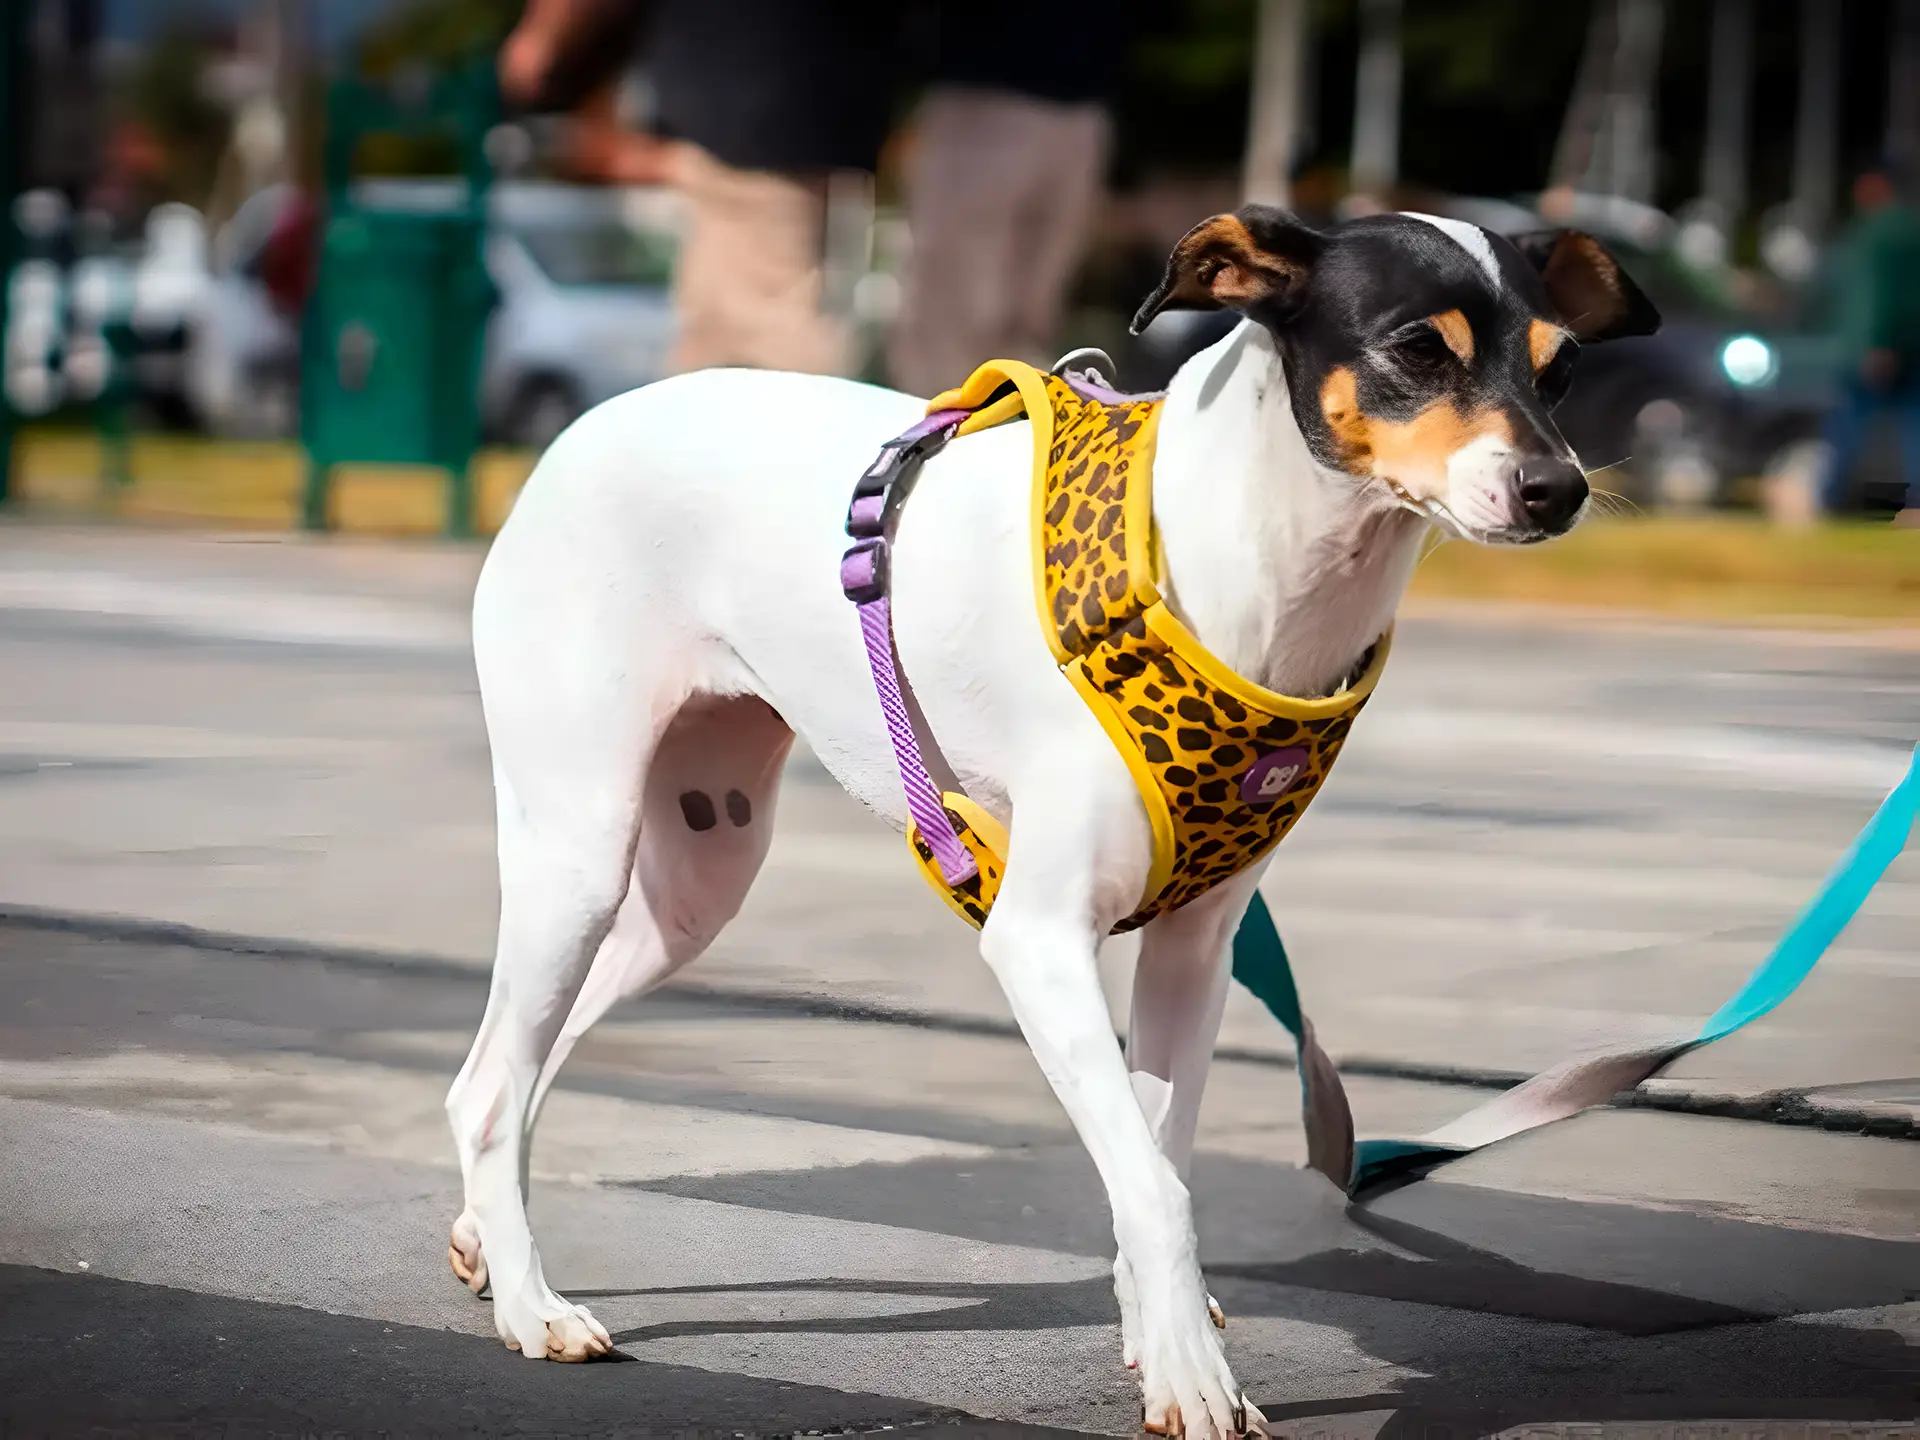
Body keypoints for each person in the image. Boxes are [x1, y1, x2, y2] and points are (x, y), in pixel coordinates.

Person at [499, 0, 899, 377]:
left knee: (773, 338)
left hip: (758, 128)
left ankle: (821, 445)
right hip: (791, 117)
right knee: (715, 337)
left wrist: (541, 37)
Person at [886, 1, 1137, 398]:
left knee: (1030, 316)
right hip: (983, 90)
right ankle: (931, 431)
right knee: (951, 310)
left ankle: (1013, 421)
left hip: (1084, 96)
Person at [1820, 161, 1920, 523]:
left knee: (1848, 424)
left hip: (1873, 350)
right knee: (1915, 425)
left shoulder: (1872, 232)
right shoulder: (1912, 228)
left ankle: (1829, 499)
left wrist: (1877, 343)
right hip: (1913, 346)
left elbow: (1873, 295)